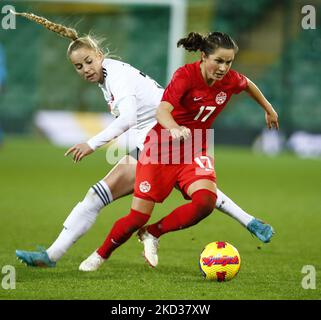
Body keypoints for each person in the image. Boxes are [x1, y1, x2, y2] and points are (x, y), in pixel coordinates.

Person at [13, 11, 274, 269]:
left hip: (162, 137)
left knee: (108, 199)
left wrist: (90, 144)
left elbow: (127, 119)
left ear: (100, 56)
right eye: (78, 66)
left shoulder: (116, 77)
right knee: (192, 192)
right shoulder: (111, 74)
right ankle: (247, 221)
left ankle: (56, 255)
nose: (85, 69)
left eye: (89, 62)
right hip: (164, 137)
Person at [79, 31, 279, 271]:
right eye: (218, 61)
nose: (224, 68)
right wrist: (174, 128)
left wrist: (269, 109)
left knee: (206, 201)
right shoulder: (185, 76)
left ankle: (153, 233)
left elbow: (247, 84)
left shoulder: (230, 79)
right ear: (204, 57)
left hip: (194, 148)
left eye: (229, 62)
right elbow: (162, 111)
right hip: (160, 147)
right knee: (137, 217)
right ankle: (100, 255)